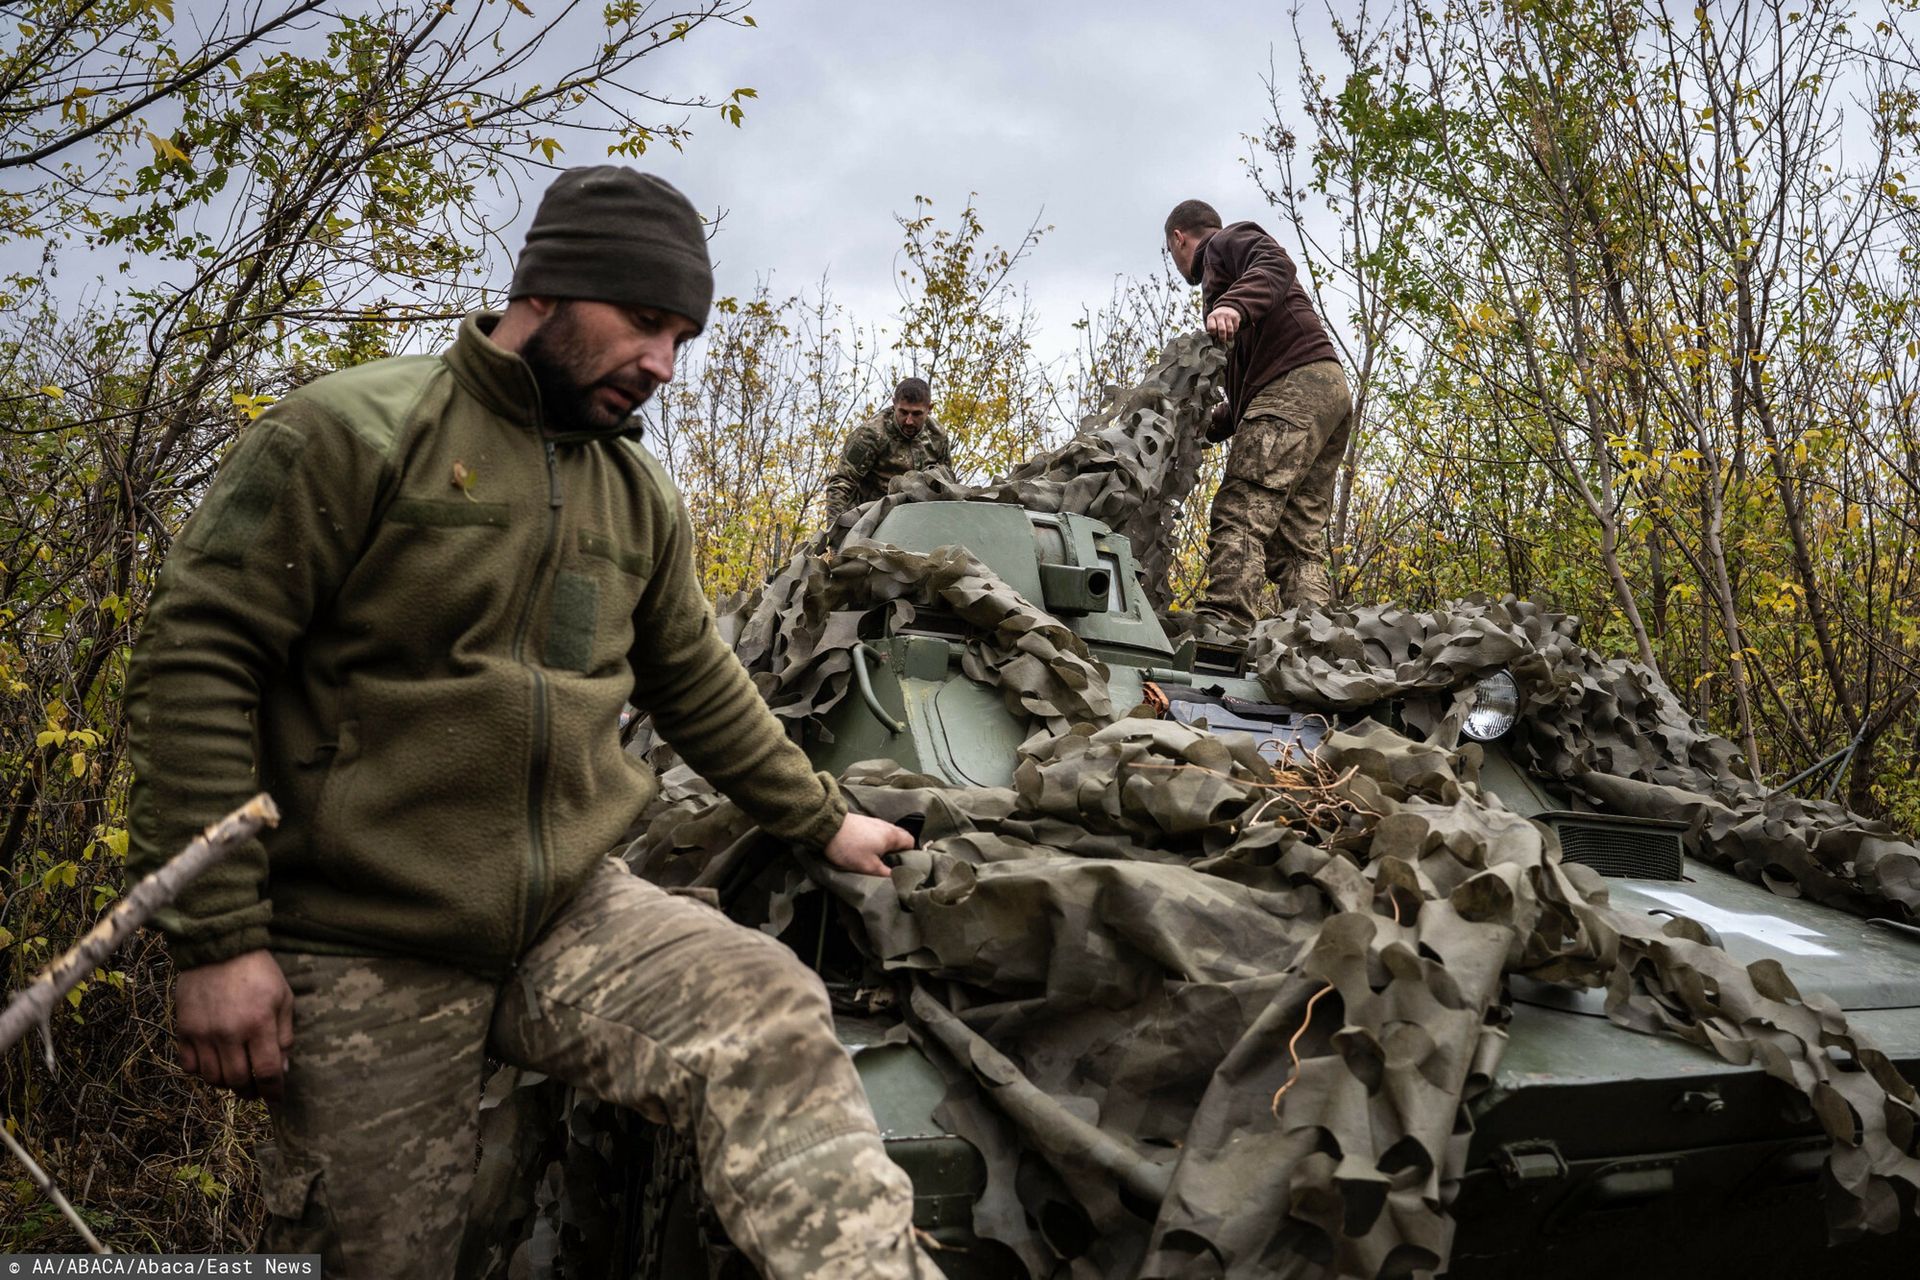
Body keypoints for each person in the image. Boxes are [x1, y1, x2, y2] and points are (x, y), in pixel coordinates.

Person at [124, 166, 936, 1279]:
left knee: (769, 1011)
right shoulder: (356, 431)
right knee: (378, 1257)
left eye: (682, 338)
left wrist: (824, 819)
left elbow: (695, 678)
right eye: (644, 322)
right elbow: (199, 657)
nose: (661, 364)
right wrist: (217, 938)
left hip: (567, 910)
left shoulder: (636, 492)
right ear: (547, 288)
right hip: (365, 936)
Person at [1163, 199, 1352, 628]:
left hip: (1294, 386)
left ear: (1178, 238)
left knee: (1243, 506)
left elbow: (1275, 262)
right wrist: (1209, 424)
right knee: (1295, 538)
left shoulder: (1225, 242)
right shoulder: (1230, 276)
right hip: (1325, 391)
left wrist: (1234, 304)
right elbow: (1252, 389)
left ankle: (1225, 621)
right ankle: (1315, 636)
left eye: (1170, 250)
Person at [821, 376, 952, 522]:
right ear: (894, 403)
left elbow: (946, 484)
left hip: (918, 519)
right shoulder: (871, 435)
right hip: (870, 519)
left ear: (929, 409)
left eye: (916, 414)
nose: (909, 421)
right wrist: (835, 534)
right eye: (903, 412)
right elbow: (842, 483)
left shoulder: (937, 436)